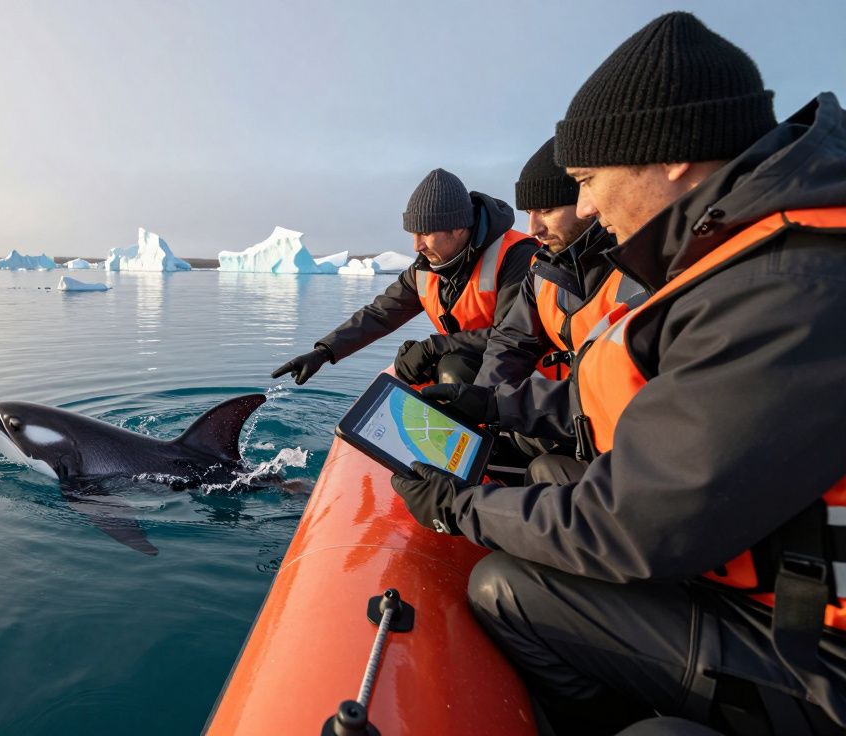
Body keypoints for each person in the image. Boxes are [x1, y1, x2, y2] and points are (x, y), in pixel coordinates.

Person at [389, 12, 846, 735]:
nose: (588, 208)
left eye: (588, 181)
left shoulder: (790, 285)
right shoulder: (742, 255)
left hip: (815, 652)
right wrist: (491, 405)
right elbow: (614, 392)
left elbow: (634, 524)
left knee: (506, 588)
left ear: (672, 157)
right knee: (545, 481)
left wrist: (460, 508)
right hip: (758, 578)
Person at [272, 168, 538, 387]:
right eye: (413, 234)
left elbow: (514, 337)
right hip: (469, 361)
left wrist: (433, 347)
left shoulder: (516, 257)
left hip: (527, 379)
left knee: (452, 369)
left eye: (425, 233)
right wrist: (323, 352)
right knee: (401, 374)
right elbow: (380, 314)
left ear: (458, 228)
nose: (416, 246)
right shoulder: (426, 268)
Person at [475, 136, 643, 389]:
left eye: (546, 211)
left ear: (586, 201)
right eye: (528, 213)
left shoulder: (640, 264)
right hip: (566, 400)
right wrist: (482, 399)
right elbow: (512, 341)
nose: (533, 229)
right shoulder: (542, 268)